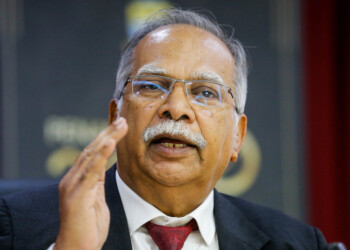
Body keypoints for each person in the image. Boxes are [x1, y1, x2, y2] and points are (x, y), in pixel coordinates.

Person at [0, 8, 327, 250]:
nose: (177, 108)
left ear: (237, 136)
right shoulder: (15, 228)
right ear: (116, 116)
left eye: (205, 92)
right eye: (153, 86)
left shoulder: (298, 244)